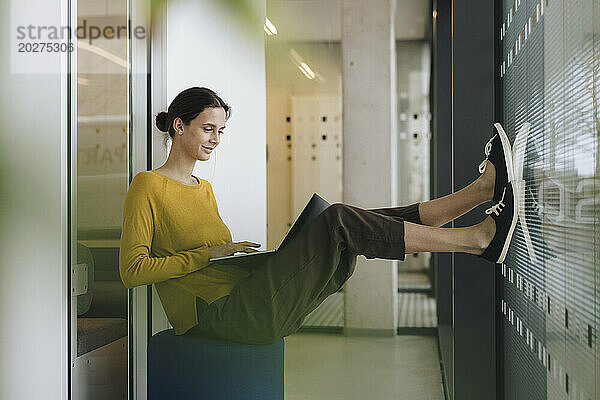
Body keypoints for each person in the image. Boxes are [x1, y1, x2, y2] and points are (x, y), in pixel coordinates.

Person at [119, 86, 519, 345]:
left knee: (357, 220)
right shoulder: (147, 186)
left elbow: (219, 262)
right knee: (341, 220)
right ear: (179, 126)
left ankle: (480, 192)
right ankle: (478, 240)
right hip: (226, 316)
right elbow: (132, 272)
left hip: (252, 292)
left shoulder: (203, 188)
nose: (215, 140)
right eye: (208, 129)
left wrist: (246, 257)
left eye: (221, 132)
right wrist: (210, 254)